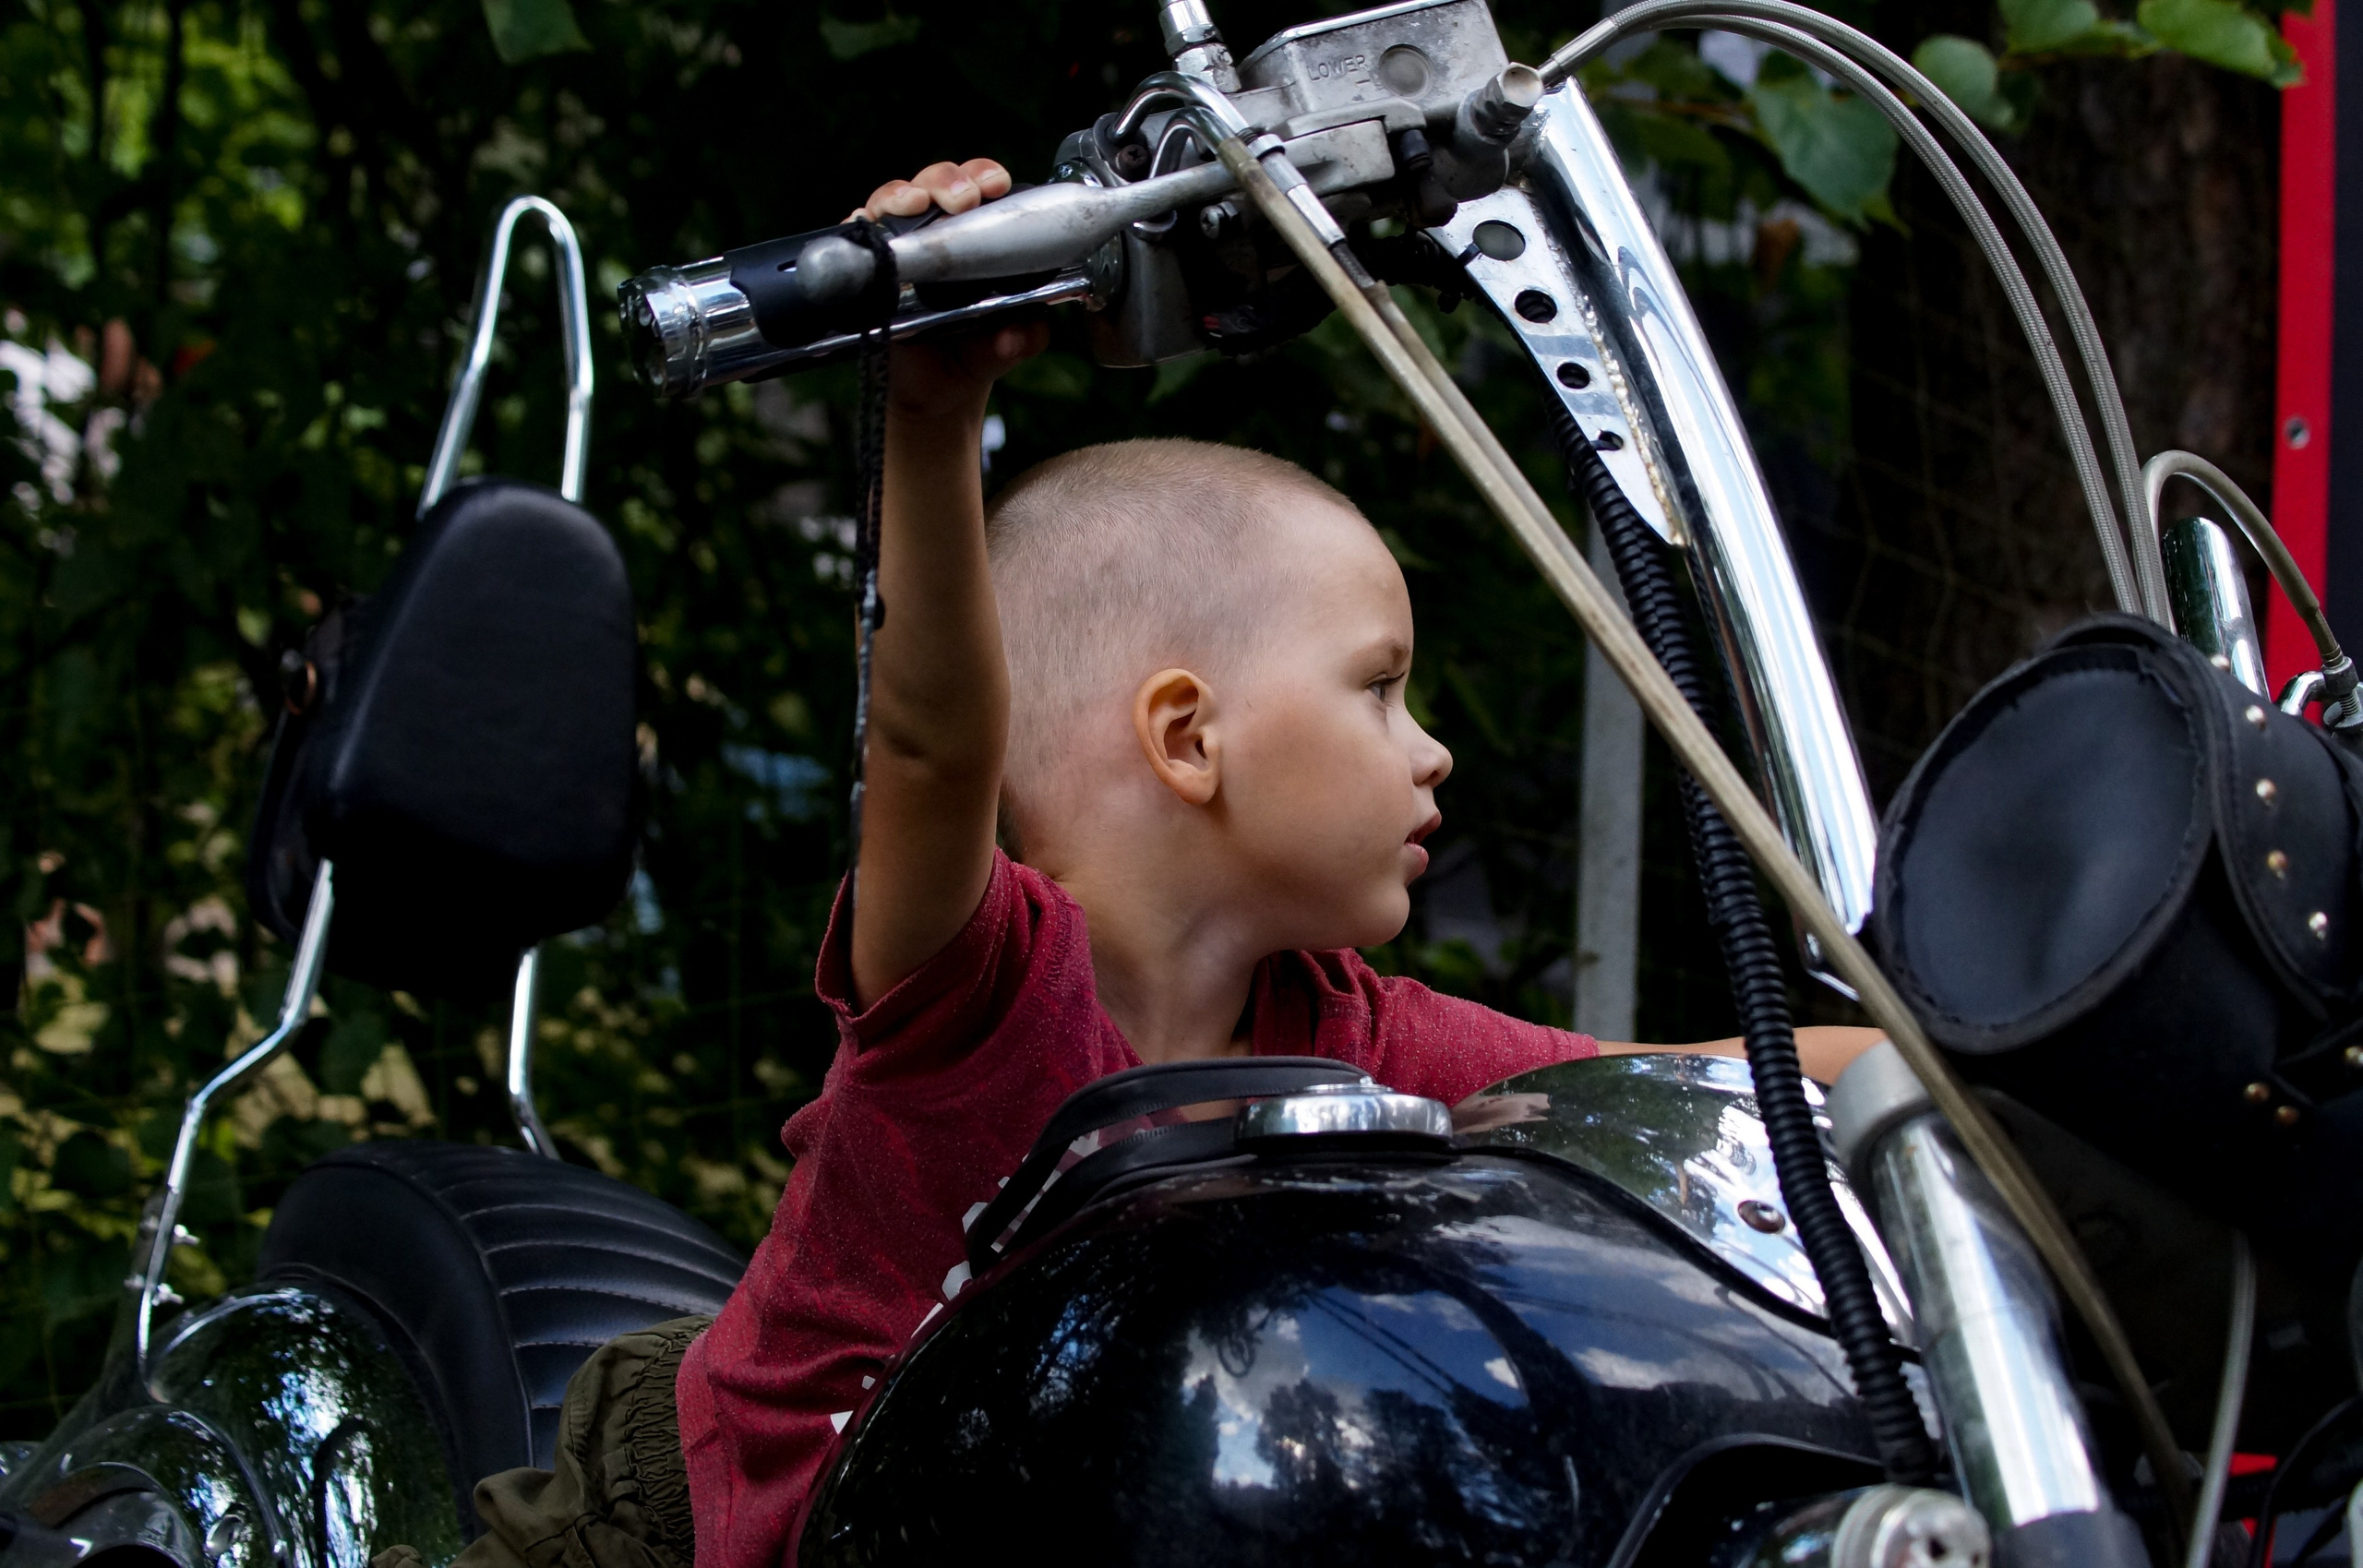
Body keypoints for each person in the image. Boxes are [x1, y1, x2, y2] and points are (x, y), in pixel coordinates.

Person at [381, 158, 1878, 1568]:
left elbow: (1676, 1090)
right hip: (700, 1525)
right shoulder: (980, 984)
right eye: (1377, 688)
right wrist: (927, 414)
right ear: (1188, 737)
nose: (1431, 752)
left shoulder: (1344, 1035)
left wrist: (1958, 1081)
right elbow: (926, 748)